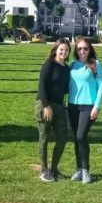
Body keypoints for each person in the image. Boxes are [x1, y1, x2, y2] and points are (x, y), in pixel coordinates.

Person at [68, 37, 102, 184]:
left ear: (90, 49)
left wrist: (97, 106)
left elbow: (101, 86)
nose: (82, 51)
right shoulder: (72, 65)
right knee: (77, 139)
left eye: (85, 48)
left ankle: (85, 171)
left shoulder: (95, 65)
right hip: (72, 106)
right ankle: (78, 169)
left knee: (81, 136)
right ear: (76, 51)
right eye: (79, 49)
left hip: (88, 107)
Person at [35, 38, 71, 182]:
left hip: (59, 106)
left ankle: (54, 169)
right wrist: (46, 106)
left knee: (63, 138)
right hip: (45, 105)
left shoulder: (66, 68)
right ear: (56, 50)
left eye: (66, 50)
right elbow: (42, 86)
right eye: (61, 49)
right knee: (44, 138)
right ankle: (44, 170)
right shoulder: (49, 64)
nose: (63, 52)